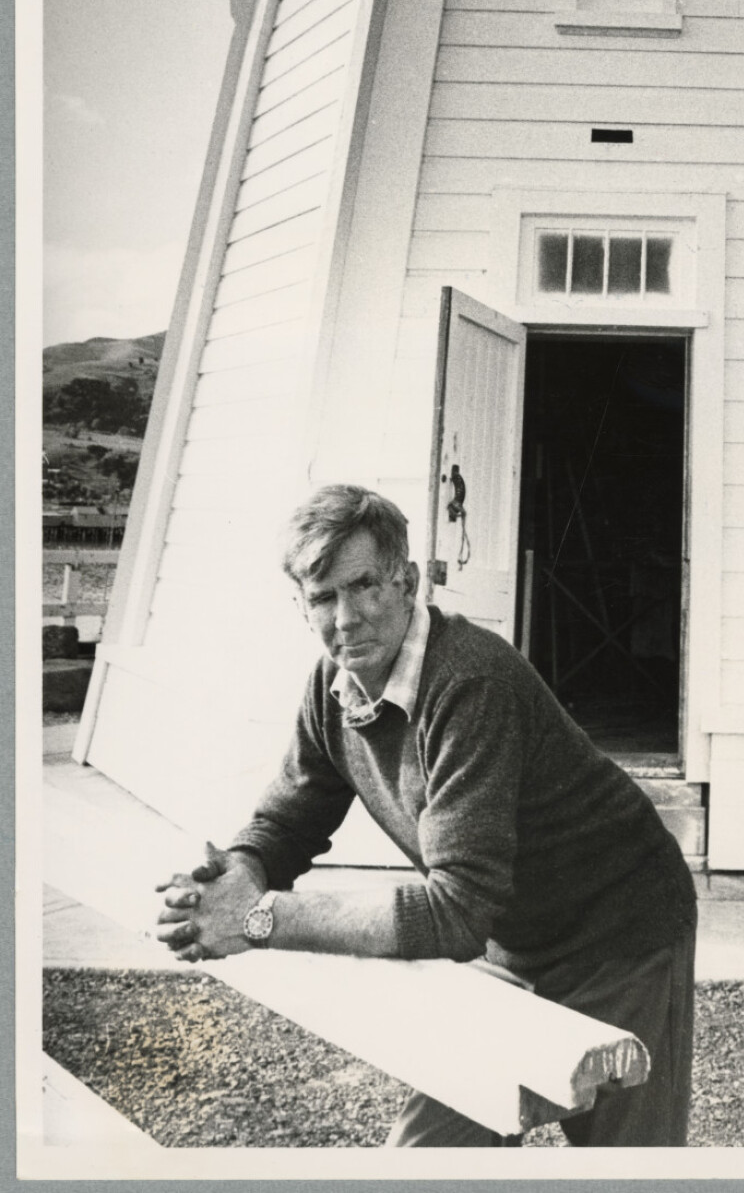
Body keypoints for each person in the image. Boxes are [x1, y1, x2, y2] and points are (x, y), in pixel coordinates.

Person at [155, 483, 697, 1146]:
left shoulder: (471, 684)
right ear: (301, 605)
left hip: (623, 933)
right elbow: (288, 820)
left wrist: (259, 918)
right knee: (426, 1156)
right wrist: (236, 877)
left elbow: (454, 914)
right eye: (322, 597)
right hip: (513, 941)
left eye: (364, 586)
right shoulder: (332, 688)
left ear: (407, 582)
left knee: (627, 1171)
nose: (345, 619)